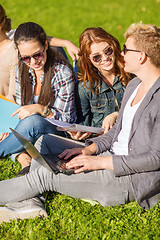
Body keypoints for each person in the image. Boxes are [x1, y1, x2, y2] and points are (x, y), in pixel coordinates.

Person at [0, 22, 159, 223]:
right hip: (108, 154)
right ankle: (30, 203)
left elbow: (156, 158)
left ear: (142, 56)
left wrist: (99, 161)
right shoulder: (136, 85)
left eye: (126, 49)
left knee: (44, 176)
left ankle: (27, 201)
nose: (121, 53)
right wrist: (89, 150)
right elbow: (118, 131)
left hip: (129, 178)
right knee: (43, 143)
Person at [0, 21, 76, 169]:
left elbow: (67, 122)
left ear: (46, 46)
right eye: (26, 58)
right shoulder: (21, 69)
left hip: (56, 134)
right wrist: (8, 130)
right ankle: (22, 157)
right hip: (29, 129)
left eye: (38, 55)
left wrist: (42, 109)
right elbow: (21, 109)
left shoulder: (62, 73)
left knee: (33, 122)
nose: (33, 62)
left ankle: (11, 150)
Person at [0, 4, 79, 101]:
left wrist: (65, 43)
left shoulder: (16, 49)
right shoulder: (14, 37)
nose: (32, 60)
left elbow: (35, 39)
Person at [69, 27, 131, 141]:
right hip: (101, 141)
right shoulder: (85, 87)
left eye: (108, 50)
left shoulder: (130, 74)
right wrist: (80, 134)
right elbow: (84, 122)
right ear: (89, 60)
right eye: (97, 57)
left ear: (113, 46)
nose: (105, 58)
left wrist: (117, 114)